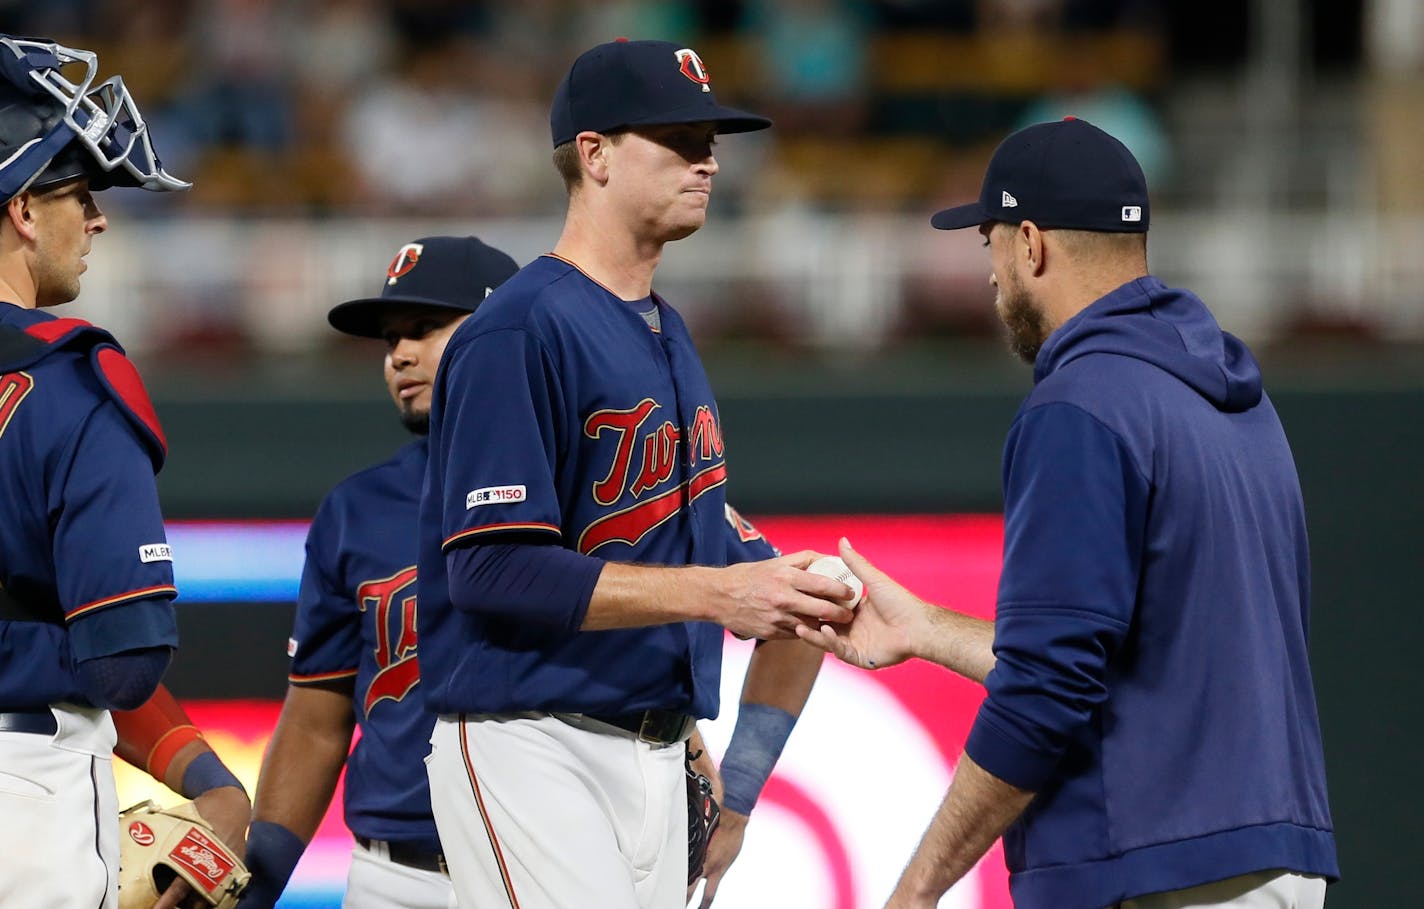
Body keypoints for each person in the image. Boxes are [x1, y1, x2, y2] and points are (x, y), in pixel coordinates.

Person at [798, 117, 1339, 909]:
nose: (988, 275)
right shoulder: (1229, 397)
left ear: (1030, 244)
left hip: (1159, 867)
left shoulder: (1080, 405)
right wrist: (924, 628)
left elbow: (1048, 691)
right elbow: (1130, 662)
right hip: (1270, 859)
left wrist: (918, 887)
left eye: (988, 243)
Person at [416, 38, 853, 909]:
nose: (708, 160)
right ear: (596, 154)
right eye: (678, 139)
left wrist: (747, 779)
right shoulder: (520, 328)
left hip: (658, 754)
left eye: (710, 141)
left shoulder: (667, 329)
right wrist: (719, 595)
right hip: (532, 740)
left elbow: (701, 548)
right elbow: (490, 567)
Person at [0, 33, 248, 908]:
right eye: (80, 194)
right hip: (23, 796)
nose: (98, 218)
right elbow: (122, 660)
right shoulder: (67, 378)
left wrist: (205, 772)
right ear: (23, 208)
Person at [236, 235, 520, 908]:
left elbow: (762, 580)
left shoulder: (594, 474)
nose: (400, 354)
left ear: (501, 334)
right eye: (391, 337)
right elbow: (315, 717)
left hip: (545, 864)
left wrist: (736, 785)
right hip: (396, 876)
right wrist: (257, 883)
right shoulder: (355, 509)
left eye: (426, 328)